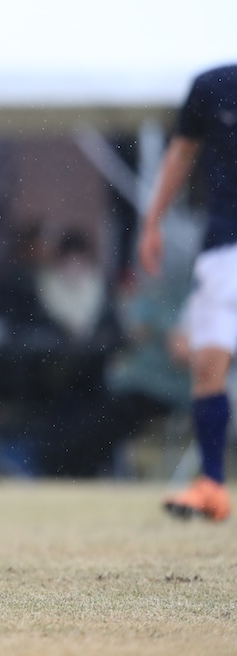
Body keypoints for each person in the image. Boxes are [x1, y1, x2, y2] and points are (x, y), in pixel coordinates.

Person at [140, 65, 237, 521]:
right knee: (207, 361)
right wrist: (152, 220)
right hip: (224, 247)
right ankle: (212, 485)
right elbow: (181, 151)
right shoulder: (213, 86)